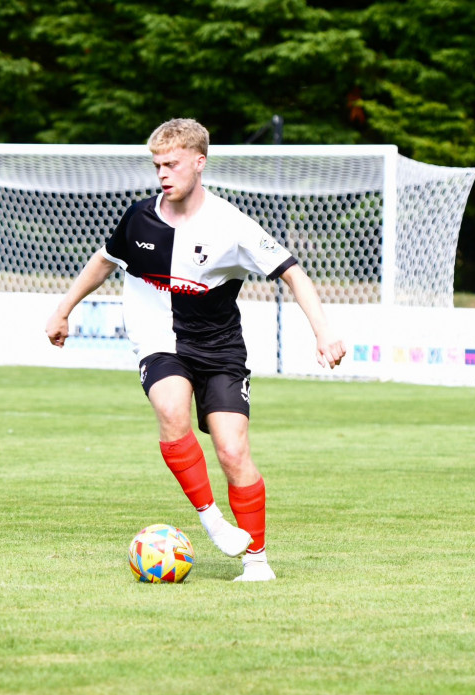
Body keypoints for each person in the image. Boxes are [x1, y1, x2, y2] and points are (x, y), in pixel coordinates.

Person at [45, 118, 346, 582]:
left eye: (173, 163)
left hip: (221, 348)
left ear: (199, 163)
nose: (163, 173)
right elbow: (104, 261)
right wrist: (63, 309)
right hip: (161, 342)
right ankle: (210, 518)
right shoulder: (139, 217)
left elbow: (292, 271)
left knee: (232, 451)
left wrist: (324, 332)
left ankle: (256, 561)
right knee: (170, 407)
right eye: (157, 164)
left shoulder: (231, 224)